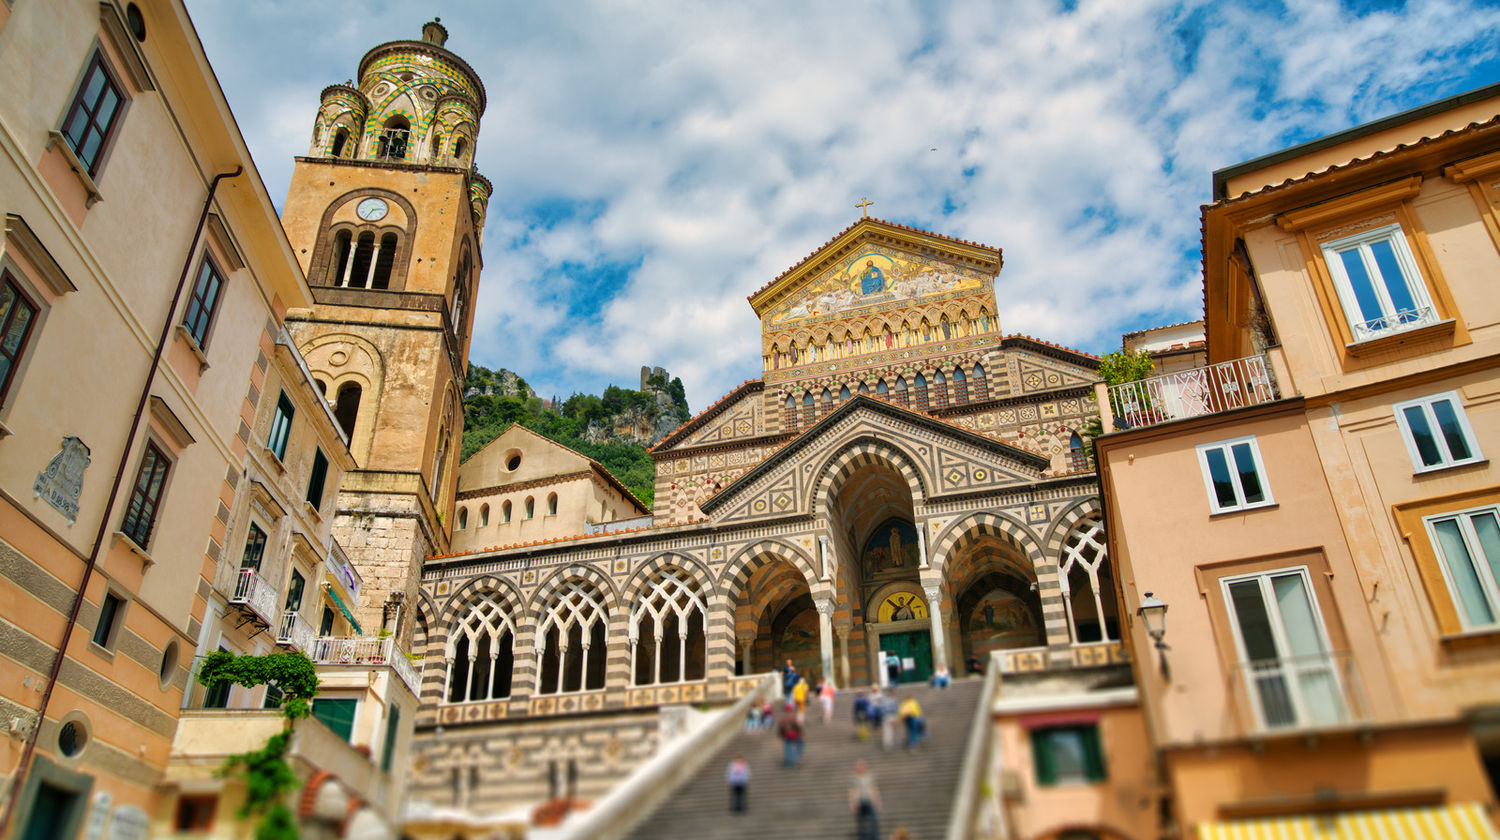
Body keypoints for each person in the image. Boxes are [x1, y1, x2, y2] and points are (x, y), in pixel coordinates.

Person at [848, 759, 882, 840]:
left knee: (874, 820)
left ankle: (875, 838)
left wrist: (878, 801)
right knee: (861, 823)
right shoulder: (854, 778)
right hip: (859, 801)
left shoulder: (869, 776)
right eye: (859, 766)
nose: (861, 767)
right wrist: (852, 803)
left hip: (869, 800)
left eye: (862, 765)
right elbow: (851, 791)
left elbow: (874, 788)